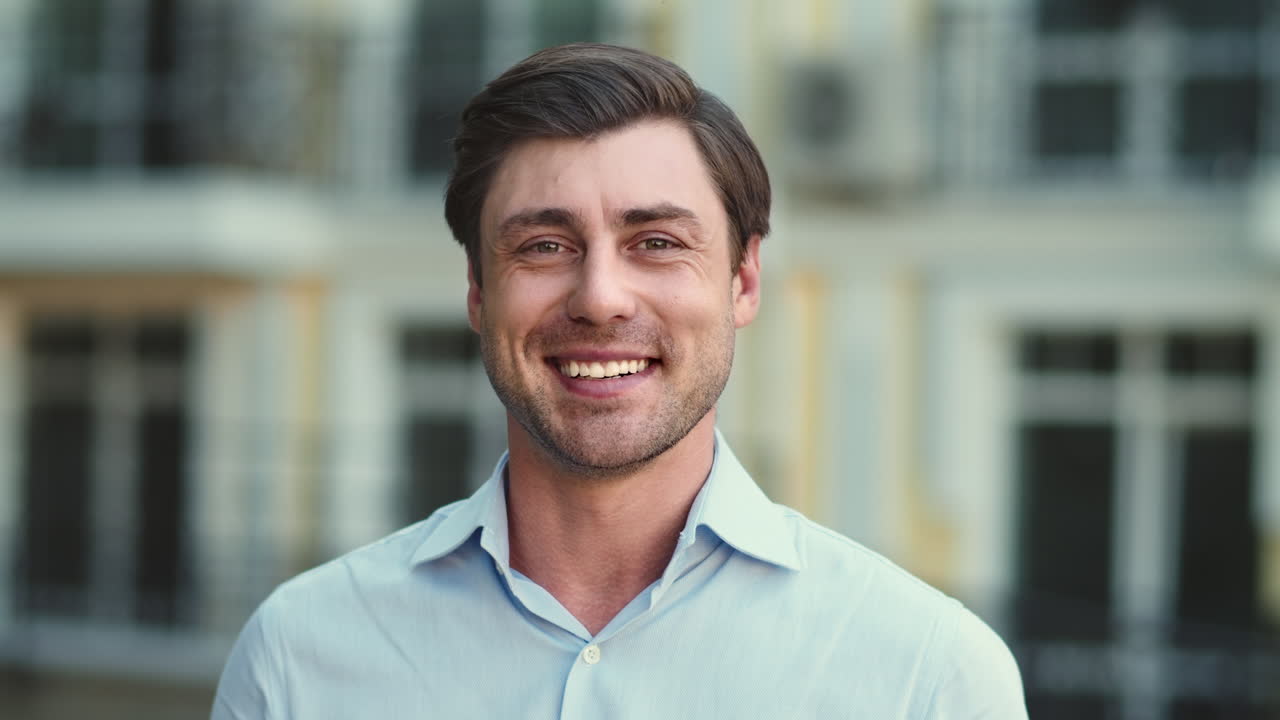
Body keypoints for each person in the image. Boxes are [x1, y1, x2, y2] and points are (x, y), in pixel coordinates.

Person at [212, 43, 1027, 718]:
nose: (600, 297)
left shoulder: (929, 678)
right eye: (544, 246)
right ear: (477, 292)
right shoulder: (297, 657)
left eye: (657, 243)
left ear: (743, 282)